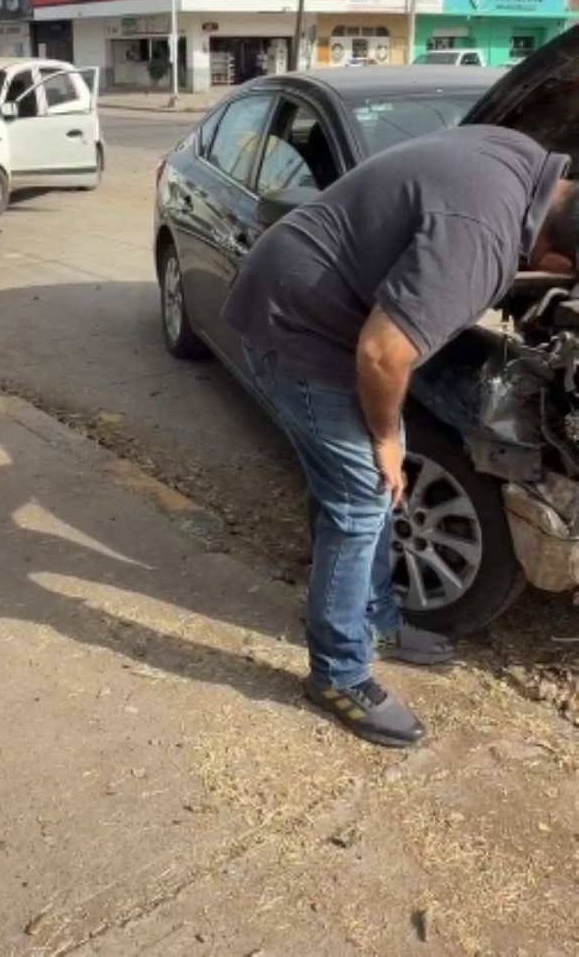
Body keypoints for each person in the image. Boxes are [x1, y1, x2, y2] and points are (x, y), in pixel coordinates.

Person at [223, 124, 579, 748]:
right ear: (554, 266)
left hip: (326, 303)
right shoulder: (484, 240)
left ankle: (377, 618)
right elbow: (383, 355)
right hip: (298, 323)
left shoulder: (522, 158)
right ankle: (338, 673)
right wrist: (387, 436)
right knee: (361, 499)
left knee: (363, 484)